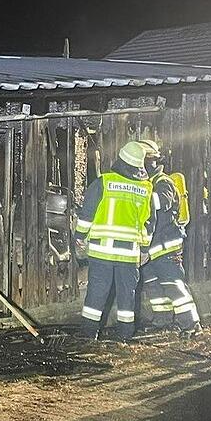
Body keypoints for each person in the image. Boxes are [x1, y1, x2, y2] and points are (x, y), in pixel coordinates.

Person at [74, 141, 156, 341]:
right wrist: (144, 249)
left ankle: (88, 335)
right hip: (129, 254)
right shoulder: (146, 189)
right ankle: (125, 337)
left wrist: (79, 237)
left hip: (102, 251)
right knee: (127, 297)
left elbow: (86, 215)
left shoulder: (104, 182)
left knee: (96, 294)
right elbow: (148, 223)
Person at [136, 140, 202, 338]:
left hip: (166, 247)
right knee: (153, 286)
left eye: (145, 162)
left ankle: (191, 324)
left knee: (173, 285)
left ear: (154, 161)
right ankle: (162, 321)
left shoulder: (164, 182)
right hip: (150, 248)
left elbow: (159, 203)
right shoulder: (145, 183)